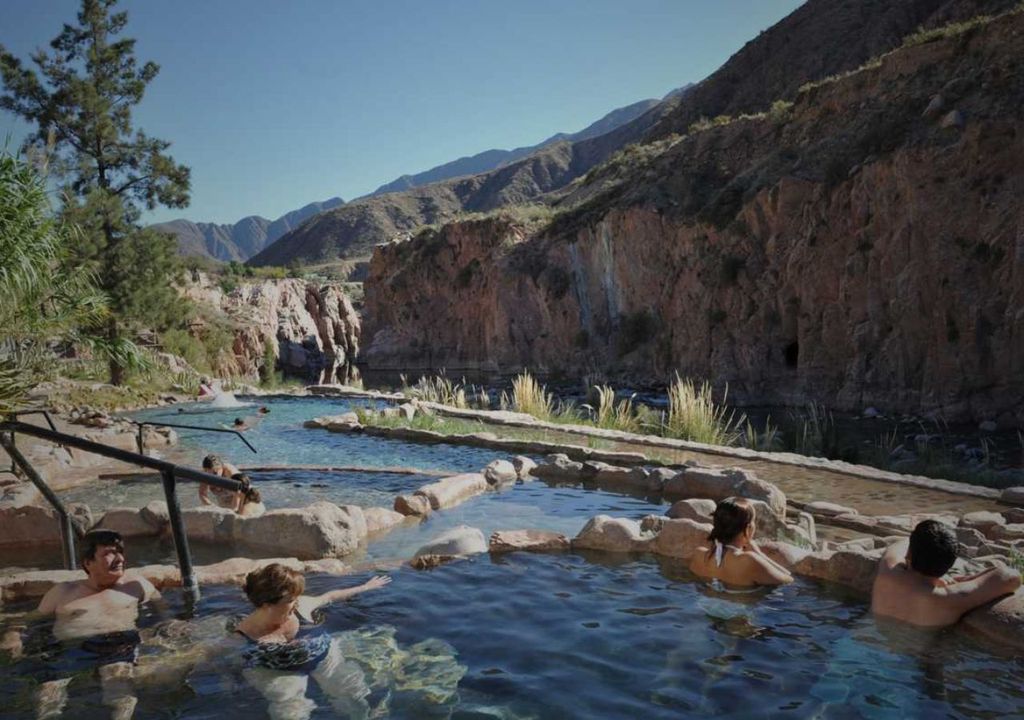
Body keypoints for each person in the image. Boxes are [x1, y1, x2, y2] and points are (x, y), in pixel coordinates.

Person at [234, 563, 391, 719]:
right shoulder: (245, 633)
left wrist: (365, 587)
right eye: (290, 599)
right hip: (280, 672)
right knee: (290, 713)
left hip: (325, 658)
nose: (296, 602)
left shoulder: (301, 607)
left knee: (355, 698)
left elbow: (330, 596)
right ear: (267, 605)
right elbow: (229, 659)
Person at [33, 529, 161, 719]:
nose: (119, 558)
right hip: (69, 649)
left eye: (119, 552)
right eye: (109, 553)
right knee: (48, 693)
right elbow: (31, 620)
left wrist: (168, 627)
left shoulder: (136, 586)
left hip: (117, 646)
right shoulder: (63, 591)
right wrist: (13, 637)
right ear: (88, 563)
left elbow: (164, 609)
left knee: (120, 691)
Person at [871, 519, 1021, 627]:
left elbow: (899, 545)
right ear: (950, 563)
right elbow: (1011, 577)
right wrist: (970, 579)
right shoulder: (947, 597)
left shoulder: (888, 572)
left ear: (909, 554)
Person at [689, 497, 794, 587]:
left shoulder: (698, 554)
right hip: (739, 610)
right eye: (753, 521)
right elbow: (789, 580)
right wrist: (760, 555)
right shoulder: (749, 560)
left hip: (703, 607)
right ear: (747, 529)